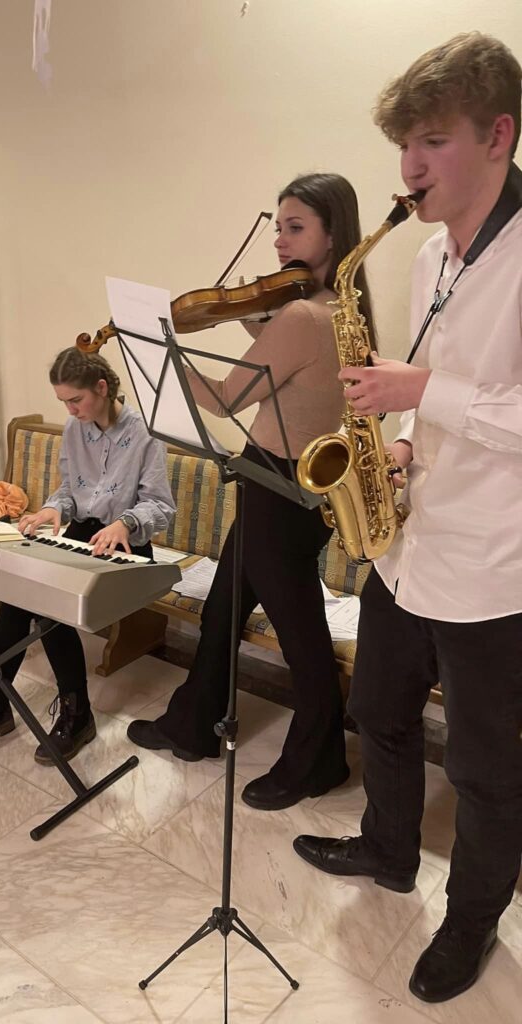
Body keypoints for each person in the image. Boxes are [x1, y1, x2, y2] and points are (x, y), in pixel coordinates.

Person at [292, 33, 522, 1005]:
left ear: (498, 136)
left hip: (494, 569)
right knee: (378, 710)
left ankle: (470, 920)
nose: (409, 167)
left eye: (432, 141)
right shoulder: (429, 254)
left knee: (484, 770)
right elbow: (426, 398)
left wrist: (425, 391)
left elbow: (456, 391)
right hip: (406, 543)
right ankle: (388, 849)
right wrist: (396, 442)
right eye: (403, 145)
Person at [127, 172, 375, 810]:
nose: (279, 241)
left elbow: (225, 398)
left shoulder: (300, 315)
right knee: (223, 609)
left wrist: (159, 352)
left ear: (332, 235)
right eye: (277, 227)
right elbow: (285, 369)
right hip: (293, 488)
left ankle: (318, 761)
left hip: (275, 487)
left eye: (295, 227)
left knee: (301, 634)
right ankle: (192, 725)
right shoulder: (339, 308)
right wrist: (245, 318)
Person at [0, 347, 175, 763]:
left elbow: (161, 507)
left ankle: (76, 713)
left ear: (101, 388)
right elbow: (69, 490)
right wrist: (53, 509)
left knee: (47, 603)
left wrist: (125, 522)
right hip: (83, 535)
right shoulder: (75, 429)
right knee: (18, 594)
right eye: (63, 402)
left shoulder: (145, 432)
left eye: (76, 400)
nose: (70, 411)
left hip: (127, 542)